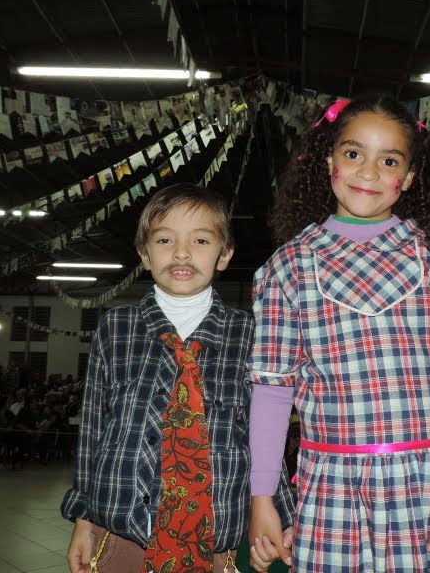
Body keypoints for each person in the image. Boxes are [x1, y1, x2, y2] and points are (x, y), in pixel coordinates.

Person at [246, 96, 430, 573]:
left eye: (388, 160)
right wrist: (261, 496)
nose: (368, 172)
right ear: (327, 160)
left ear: (408, 177)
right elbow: (272, 392)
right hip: (330, 492)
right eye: (353, 153)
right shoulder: (286, 269)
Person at [61, 183, 295, 573]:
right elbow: (93, 431)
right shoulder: (115, 327)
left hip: (213, 534)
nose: (181, 253)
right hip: (120, 533)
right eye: (165, 240)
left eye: (200, 240)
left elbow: (265, 436)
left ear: (224, 255)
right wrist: (83, 520)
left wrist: (279, 513)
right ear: (144, 253)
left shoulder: (251, 334)